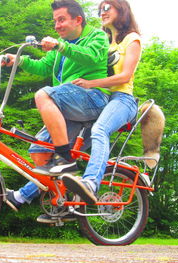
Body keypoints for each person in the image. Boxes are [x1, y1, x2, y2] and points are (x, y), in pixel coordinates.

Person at [4, 0, 110, 222]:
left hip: (93, 98)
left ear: (77, 20)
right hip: (68, 105)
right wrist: (19, 60)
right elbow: (42, 66)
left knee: (43, 94)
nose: (57, 25)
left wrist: (60, 46)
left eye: (61, 20)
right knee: (38, 152)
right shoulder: (62, 44)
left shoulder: (97, 37)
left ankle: (65, 158)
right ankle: (64, 202)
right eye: (55, 21)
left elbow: (91, 56)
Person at [62, 0, 142, 205]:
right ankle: (25, 196)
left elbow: (125, 76)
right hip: (100, 99)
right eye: (99, 10)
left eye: (106, 8)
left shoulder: (132, 40)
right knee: (67, 148)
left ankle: (90, 184)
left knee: (99, 130)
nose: (101, 13)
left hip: (122, 99)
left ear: (121, 9)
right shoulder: (102, 41)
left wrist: (91, 83)